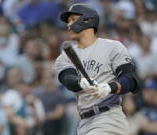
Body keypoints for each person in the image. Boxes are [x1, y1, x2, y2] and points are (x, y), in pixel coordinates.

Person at [55, 3, 140, 135]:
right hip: (83, 122)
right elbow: (68, 78)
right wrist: (80, 82)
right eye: (68, 21)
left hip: (109, 118)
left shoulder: (113, 47)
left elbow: (132, 80)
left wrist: (108, 87)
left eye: (72, 19)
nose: (68, 25)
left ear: (87, 20)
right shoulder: (65, 55)